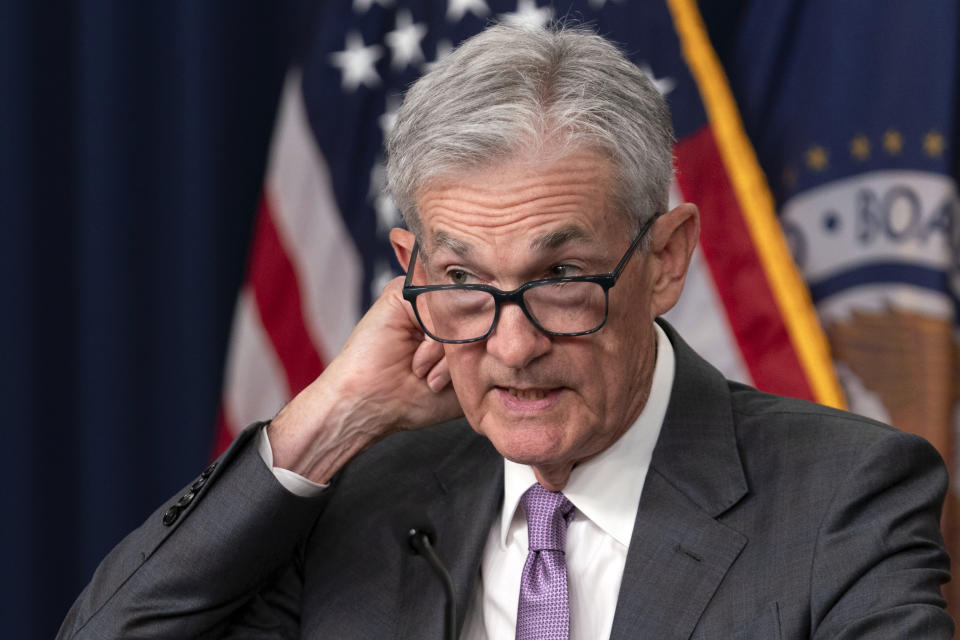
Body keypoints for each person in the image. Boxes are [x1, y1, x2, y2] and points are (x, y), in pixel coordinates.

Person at [58, 23, 952, 639]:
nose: (513, 346)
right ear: (409, 270)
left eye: (562, 279)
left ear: (668, 259)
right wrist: (327, 417)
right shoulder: (360, 503)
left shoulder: (841, 497)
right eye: (463, 283)